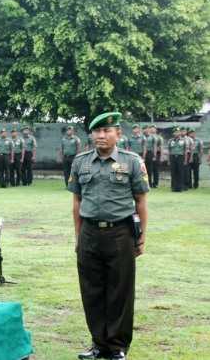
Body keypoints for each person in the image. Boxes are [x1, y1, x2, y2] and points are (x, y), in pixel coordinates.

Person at [68, 112, 148, 360]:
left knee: (120, 292)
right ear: (91, 134)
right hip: (90, 233)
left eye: (107, 131)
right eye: (97, 131)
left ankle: (116, 347)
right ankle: (98, 343)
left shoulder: (132, 161)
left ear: (117, 134)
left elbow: (141, 201)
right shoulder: (80, 162)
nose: (101, 136)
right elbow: (76, 201)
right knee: (91, 291)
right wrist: (78, 236)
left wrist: (141, 237)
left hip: (120, 233)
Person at [167, 127, 186, 192]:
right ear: (173, 133)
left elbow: (185, 150)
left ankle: (180, 187)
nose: (176, 133)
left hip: (180, 157)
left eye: (178, 132)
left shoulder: (183, 140)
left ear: (180, 133)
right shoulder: (170, 141)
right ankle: (173, 187)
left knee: (180, 172)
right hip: (172, 157)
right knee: (173, 172)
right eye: (175, 132)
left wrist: (185, 160)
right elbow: (169, 151)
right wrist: (169, 160)